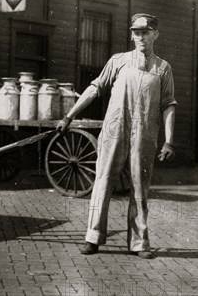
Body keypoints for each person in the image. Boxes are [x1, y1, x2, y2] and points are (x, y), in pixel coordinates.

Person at [58, 13, 176, 259]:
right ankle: (93, 237)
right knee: (102, 182)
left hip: (145, 135)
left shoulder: (163, 68)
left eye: (145, 32)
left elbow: (168, 105)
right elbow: (95, 88)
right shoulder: (118, 60)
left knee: (140, 188)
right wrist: (69, 115)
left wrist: (169, 140)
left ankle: (139, 243)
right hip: (114, 131)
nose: (140, 37)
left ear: (155, 34)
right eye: (136, 32)